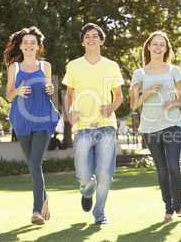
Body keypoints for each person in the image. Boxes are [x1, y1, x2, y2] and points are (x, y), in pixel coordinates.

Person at [130, 31, 181, 222]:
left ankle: (179, 206)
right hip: (150, 127)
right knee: (161, 169)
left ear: (166, 49)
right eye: (155, 44)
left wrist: (173, 103)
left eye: (162, 45)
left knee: (174, 166)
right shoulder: (139, 74)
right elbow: (133, 104)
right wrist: (148, 92)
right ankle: (169, 209)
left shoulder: (173, 70)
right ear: (148, 47)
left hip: (172, 123)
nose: (158, 47)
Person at [62, 23, 124, 225]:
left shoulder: (112, 66)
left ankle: (99, 213)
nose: (91, 39)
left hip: (106, 126)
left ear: (101, 40)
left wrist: (112, 107)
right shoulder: (73, 66)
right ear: (82, 41)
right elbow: (69, 95)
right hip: (82, 127)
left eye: (95, 36)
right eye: (87, 36)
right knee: (84, 175)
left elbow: (119, 96)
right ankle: (87, 189)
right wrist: (70, 112)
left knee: (106, 174)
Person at [4, 26, 60, 225]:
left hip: (43, 118)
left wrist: (51, 89)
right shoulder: (14, 68)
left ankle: (36, 211)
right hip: (21, 120)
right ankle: (44, 199)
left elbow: (47, 91)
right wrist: (17, 91)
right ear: (20, 46)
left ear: (38, 47)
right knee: (33, 167)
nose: (29, 45)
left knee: (35, 164)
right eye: (25, 42)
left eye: (32, 43)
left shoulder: (46, 66)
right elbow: (9, 96)